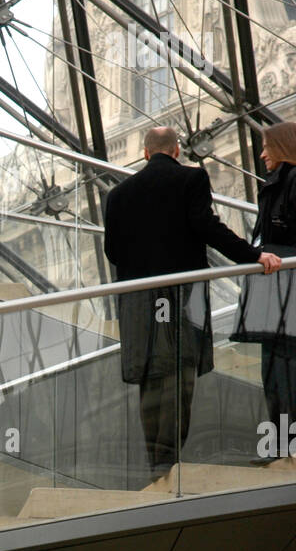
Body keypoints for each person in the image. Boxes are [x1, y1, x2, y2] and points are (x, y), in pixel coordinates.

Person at [104, 125, 281, 480]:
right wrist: (253, 255)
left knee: (150, 376)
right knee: (180, 373)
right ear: (177, 151)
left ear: (144, 153)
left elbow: (113, 251)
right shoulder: (192, 179)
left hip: (138, 302)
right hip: (182, 295)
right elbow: (207, 227)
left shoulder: (118, 194)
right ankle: (169, 461)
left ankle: (156, 462)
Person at [231, 121, 296, 458]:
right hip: (279, 292)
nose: (261, 154)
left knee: (282, 369)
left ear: (283, 147)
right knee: (275, 369)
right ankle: (281, 443)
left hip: (286, 292)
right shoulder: (275, 185)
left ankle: (284, 444)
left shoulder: (288, 183)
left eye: (267, 146)